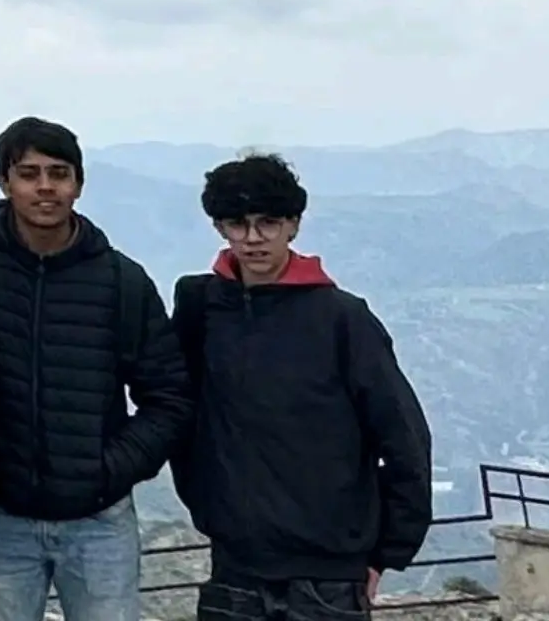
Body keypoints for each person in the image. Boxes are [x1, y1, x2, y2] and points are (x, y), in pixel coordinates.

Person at [0, 119, 190, 621]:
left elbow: (169, 397)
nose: (45, 187)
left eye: (58, 173)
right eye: (29, 173)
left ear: (78, 183)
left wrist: (109, 471)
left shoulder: (120, 280)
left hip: (99, 522)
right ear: (4, 182)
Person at [169, 154, 432, 621]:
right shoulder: (201, 309)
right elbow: (177, 412)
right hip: (235, 565)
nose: (253, 238)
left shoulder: (342, 319)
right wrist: (209, 505)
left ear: (293, 225)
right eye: (238, 223)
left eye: (268, 222)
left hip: (329, 573)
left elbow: (403, 435)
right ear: (220, 228)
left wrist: (386, 553)